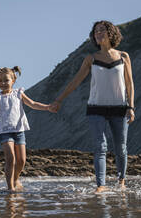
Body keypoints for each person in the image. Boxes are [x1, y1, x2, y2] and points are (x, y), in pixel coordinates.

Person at [50, 21, 135, 193]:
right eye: (96, 32)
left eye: (102, 30)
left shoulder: (123, 57)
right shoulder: (91, 59)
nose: (98, 34)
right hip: (96, 108)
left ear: (111, 33)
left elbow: (130, 84)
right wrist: (59, 99)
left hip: (119, 108)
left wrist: (131, 107)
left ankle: (121, 181)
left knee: (121, 148)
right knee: (100, 147)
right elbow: (75, 81)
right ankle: (101, 185)